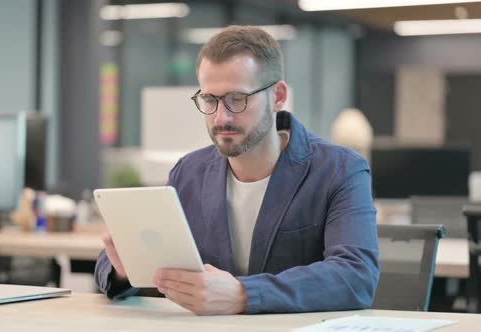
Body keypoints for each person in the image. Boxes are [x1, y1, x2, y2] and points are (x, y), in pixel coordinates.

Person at [95, 25, 379, 315]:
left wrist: (245, 295)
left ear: (278, 96)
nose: (221, 117)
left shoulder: (340, 170)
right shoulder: (188, 173)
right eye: (210, 99)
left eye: (237, 99)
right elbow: (115, 266)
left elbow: (355, 277)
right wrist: (124, 268)